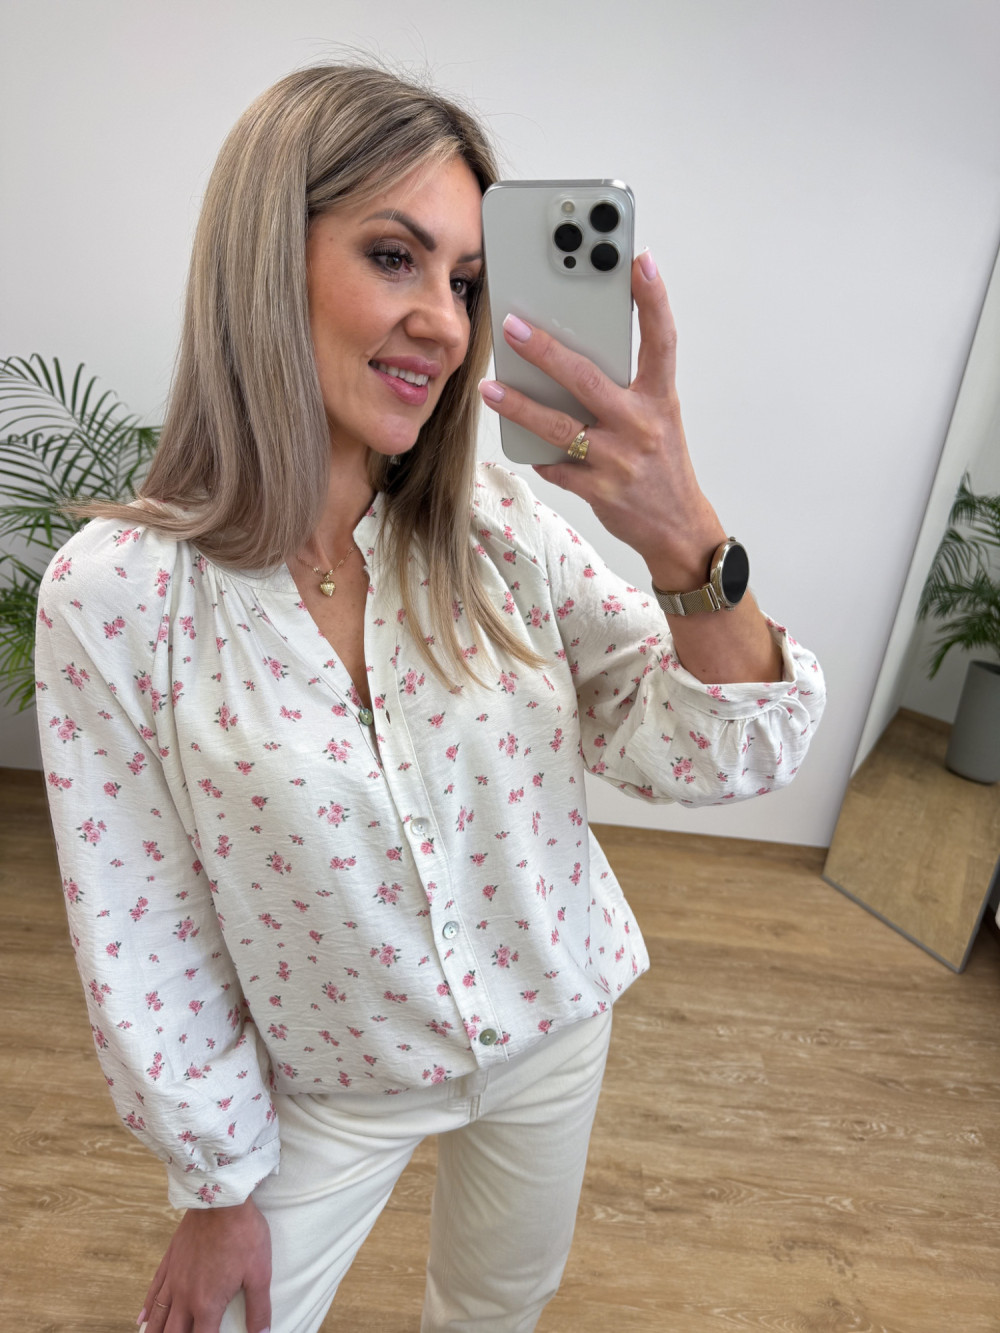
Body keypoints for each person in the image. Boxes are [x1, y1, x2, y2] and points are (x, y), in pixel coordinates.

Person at [34, 63, 824, 1333]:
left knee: (497, 1305)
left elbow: (714, 754)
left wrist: (686, 540)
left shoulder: (500, 529)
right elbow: (143, 924)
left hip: (554, 1025)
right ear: (263, 260)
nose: (448, 326)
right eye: (394, 257)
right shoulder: (118, 595)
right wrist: (217, 1185)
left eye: (465, 283)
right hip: (332, 1078)